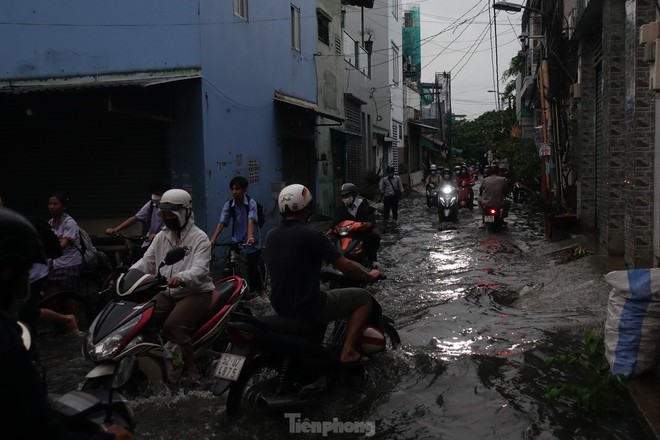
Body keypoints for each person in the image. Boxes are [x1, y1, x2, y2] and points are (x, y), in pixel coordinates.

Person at [0, 207, 134, 440]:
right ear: (7, 272)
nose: (28, 283)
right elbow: (38, 429)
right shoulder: (7, 345)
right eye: (25, 273)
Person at [266, 184, 382, 363]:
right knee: (364, 297)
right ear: (307, 208)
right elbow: (346, 267)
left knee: (323, 287)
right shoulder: (313, 235)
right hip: (308, 306)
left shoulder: (271, 235)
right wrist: (370, 275)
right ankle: (348, 351)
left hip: (279, 303)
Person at [131, 188, 213, 381]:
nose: (168, 218)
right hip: (167, 292)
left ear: (185, 212)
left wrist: (181, 277)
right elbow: (147, 262)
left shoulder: (199, 238)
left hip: (194, 293)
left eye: (172, 214)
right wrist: (128, 275)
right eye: (164, 215)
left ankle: (191, 369)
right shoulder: (161, 236)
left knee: (173, 326)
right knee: (140, 318)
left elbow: (200, 270)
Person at [208, 176, 264, 295]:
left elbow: (251, 220)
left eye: (237, 189)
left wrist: (250, 236)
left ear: (244, 190)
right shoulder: (228, 205)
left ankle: (259, 291)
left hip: (252, 241)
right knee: (229, 266)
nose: (234, 192)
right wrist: (213, 239)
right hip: (236, 240)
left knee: (252, 269)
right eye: (232, 189)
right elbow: (222, 222)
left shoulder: (251, 203)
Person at [105, 182, 169, 252]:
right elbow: (135, 218)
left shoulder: (172, 209)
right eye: (153, 193)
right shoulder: (151, 204)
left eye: (157, 194)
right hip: (150, 242)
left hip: (165, 243)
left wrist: (159, 236)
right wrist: (115, 230)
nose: (154, 196)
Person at [332, 183, 381, 263]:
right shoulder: (341, 209)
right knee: (333, 239)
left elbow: (371, 219)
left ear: (354, 194)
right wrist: (335, 229)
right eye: (343, 196)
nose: (345, 198)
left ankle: (373, 261)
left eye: (347, 195)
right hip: (346, 234)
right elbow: (335, 223)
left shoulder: (364, 205)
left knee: (374, 237)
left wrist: (367, 224)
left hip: (361, 233)